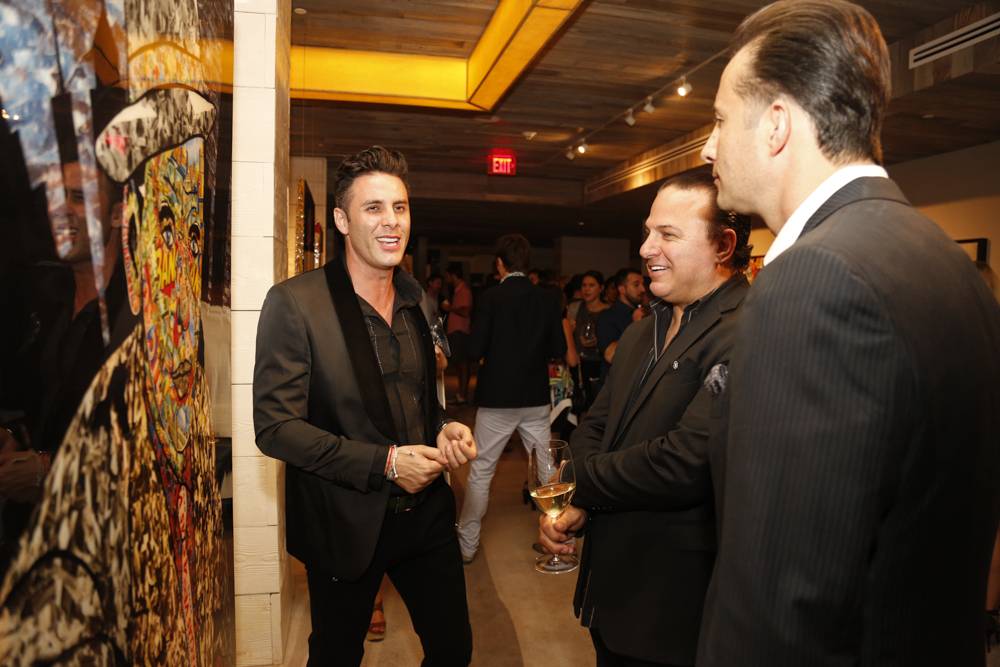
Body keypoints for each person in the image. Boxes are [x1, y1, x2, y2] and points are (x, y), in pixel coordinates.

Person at [697, 2, 1000, 665]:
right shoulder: (948, 263)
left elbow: (780, 611)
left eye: (718, 120)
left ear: (776, 124)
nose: (707, 147)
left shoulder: (813, 278)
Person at [253, 146, 477, 666]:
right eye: (373, 208)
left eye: (399, 207)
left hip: (426, 514)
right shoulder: (296, 303)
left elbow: (418, 400)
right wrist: (387, 462)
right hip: (345, 519)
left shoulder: (416, 299)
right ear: (342, 220)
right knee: (335, 656)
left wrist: (443, 427)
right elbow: (276, 427)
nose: (391, 221)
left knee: (453, 650)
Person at [539, 169, 751, 666]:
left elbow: (685, 462)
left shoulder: (748, 328)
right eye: (648, 232)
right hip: (612, 591)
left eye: (668, 235)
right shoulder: (642, 330)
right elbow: (596, 424)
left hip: (676, 602)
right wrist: (582, 502)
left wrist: (578, 484)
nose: (646, 248)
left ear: (723, 245)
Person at [456, 234, 565, 563]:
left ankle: (466, 545)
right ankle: (556, 536)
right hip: (534, 396)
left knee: (482, 470)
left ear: (500, 264)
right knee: (545, 469)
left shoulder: (491, 297)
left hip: (497, 397)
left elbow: (475, 349)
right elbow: (558, 348)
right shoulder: (547, 298)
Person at [567, 270, 608, 410]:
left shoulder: (608, 311)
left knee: (596, 404)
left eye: (591, 285)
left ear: (601, 288)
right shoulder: (574, 307)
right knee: (577, 405)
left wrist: (599, 341)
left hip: (598, 363)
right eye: (584, 285)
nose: (586, 289)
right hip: (578, 363)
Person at [596, 267, 646, 370]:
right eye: (636, 285)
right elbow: (610, 356)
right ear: (622, 289)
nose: (643, 289)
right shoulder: (607, 316)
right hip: (617, 378)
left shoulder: (644, 313)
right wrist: (635, 326)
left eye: (642, 284)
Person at [442, 262, 473, 404]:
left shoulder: (463, 290)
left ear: (453, 275)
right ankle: (461, 394)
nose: (446, 279)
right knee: (459, 364)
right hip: (456, 331)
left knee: (462, 364)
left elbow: (465, 311)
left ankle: (463, 395)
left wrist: (450, 308)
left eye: (447, 276)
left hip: (460, 332)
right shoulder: (457, 290)